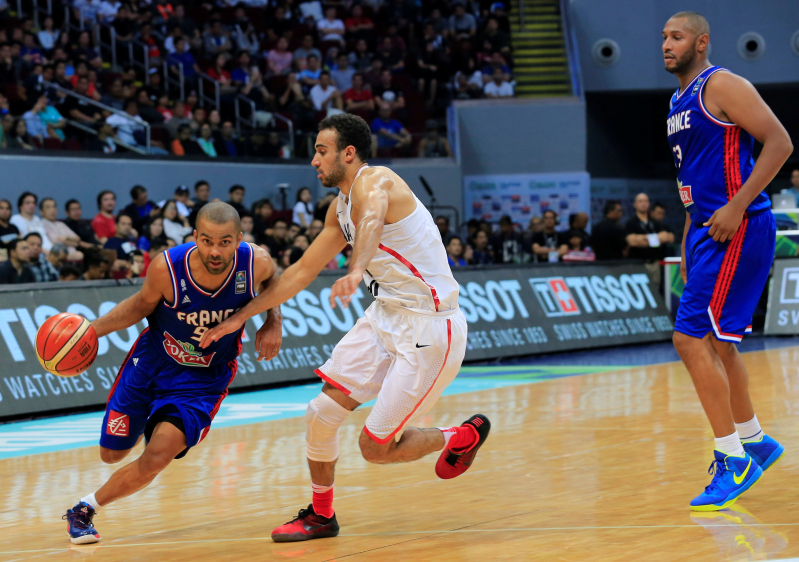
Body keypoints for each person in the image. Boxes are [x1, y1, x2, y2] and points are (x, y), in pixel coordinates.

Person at [197, 114, 486, 542]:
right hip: (385, 314)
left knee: (375, 449)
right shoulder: (339, 207)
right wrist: (241, 318)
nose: (313, 160)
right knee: (320, 414)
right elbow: (298, 272)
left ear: (348, 153)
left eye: (321, 150)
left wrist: (354, 270)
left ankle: (460, 435)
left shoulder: (378, 182)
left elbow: (371, 225)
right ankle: (320, 515)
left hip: (431, 327)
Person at [62, 202, 283, 545]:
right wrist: (88, 331)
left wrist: (272, 321)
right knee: (113, 454)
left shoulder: (256, 262)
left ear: (239, 239)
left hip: (202, 380)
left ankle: (84, 509)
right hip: (152, 362)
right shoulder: (167, 268)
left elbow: (275, 281)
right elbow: (138, 307)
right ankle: (139, 424)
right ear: (194, 236)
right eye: (206, 240)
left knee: (156, 457)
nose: (214, 250)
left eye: (225, 242)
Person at [663, 11, 793, 511]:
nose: (666, 45)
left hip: (736, 226)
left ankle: (732, 457)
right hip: (704, 230)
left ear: (702, 41)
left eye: (676, 37)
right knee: (719, 343)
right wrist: (685, 239)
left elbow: (780, 142)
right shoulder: (677, 100)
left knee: (687, 338)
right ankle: (754, 439)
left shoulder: (722, 85)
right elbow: (693, 180)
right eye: (663, 38)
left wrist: (737, 206)